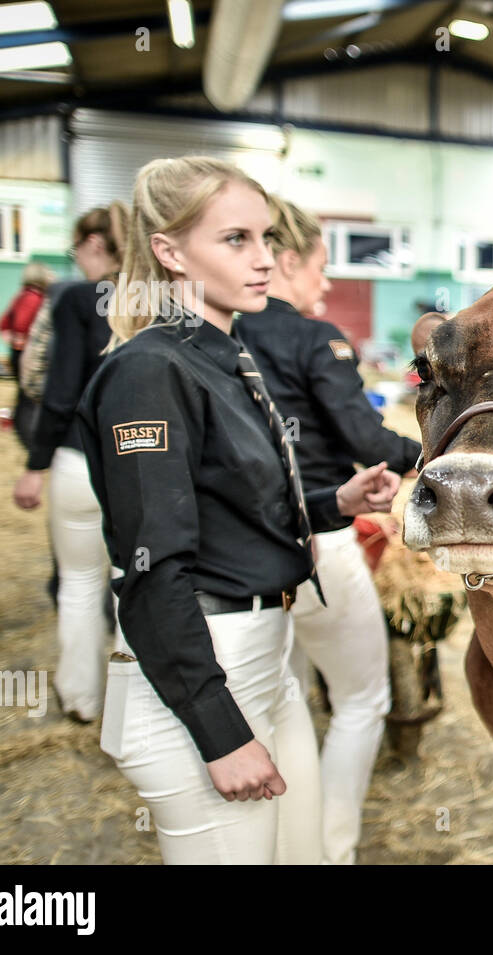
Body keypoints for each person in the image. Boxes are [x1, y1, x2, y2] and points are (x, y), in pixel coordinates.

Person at [76, 156, 401, 864]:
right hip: (206, 667)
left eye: (266, 239)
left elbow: (233, 513)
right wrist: (218, 732)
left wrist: (332, 502)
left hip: (268, 658)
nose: (264, 260)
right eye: (236, 240)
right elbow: (152, 569)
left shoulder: (224, 356)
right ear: (167, 250)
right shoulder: (149, 371)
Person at [236, 195, 421, 865]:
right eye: (320, 264)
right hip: (321, 537)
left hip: (245, 551)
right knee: (362, 697)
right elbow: (360, 434)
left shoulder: (218, 336)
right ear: (288, 260)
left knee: (280, 700)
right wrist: (430, 459)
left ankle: (282, 844)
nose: (327, 282)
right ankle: (328, 850)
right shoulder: (315, 338)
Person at [13, 203, 128, 723]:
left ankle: (82, 698)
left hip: (80, 462)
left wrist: (34, 465)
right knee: (137, 584)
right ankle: (137, 706)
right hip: (142, 466)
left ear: (95, 245)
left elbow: (59, 391)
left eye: (76, 249)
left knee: (80, 581)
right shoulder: (165, 302)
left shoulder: (77, 299)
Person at [0, 261, 54, 443]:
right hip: (25, 353)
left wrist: (14, 341)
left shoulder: (21, 296)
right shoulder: (34, 299)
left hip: (17, 352)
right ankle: (27, 435)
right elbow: (22, 325)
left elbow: (3, 324)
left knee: (23, 395)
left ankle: (20, 429)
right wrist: (25, 343)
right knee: (28, 397)